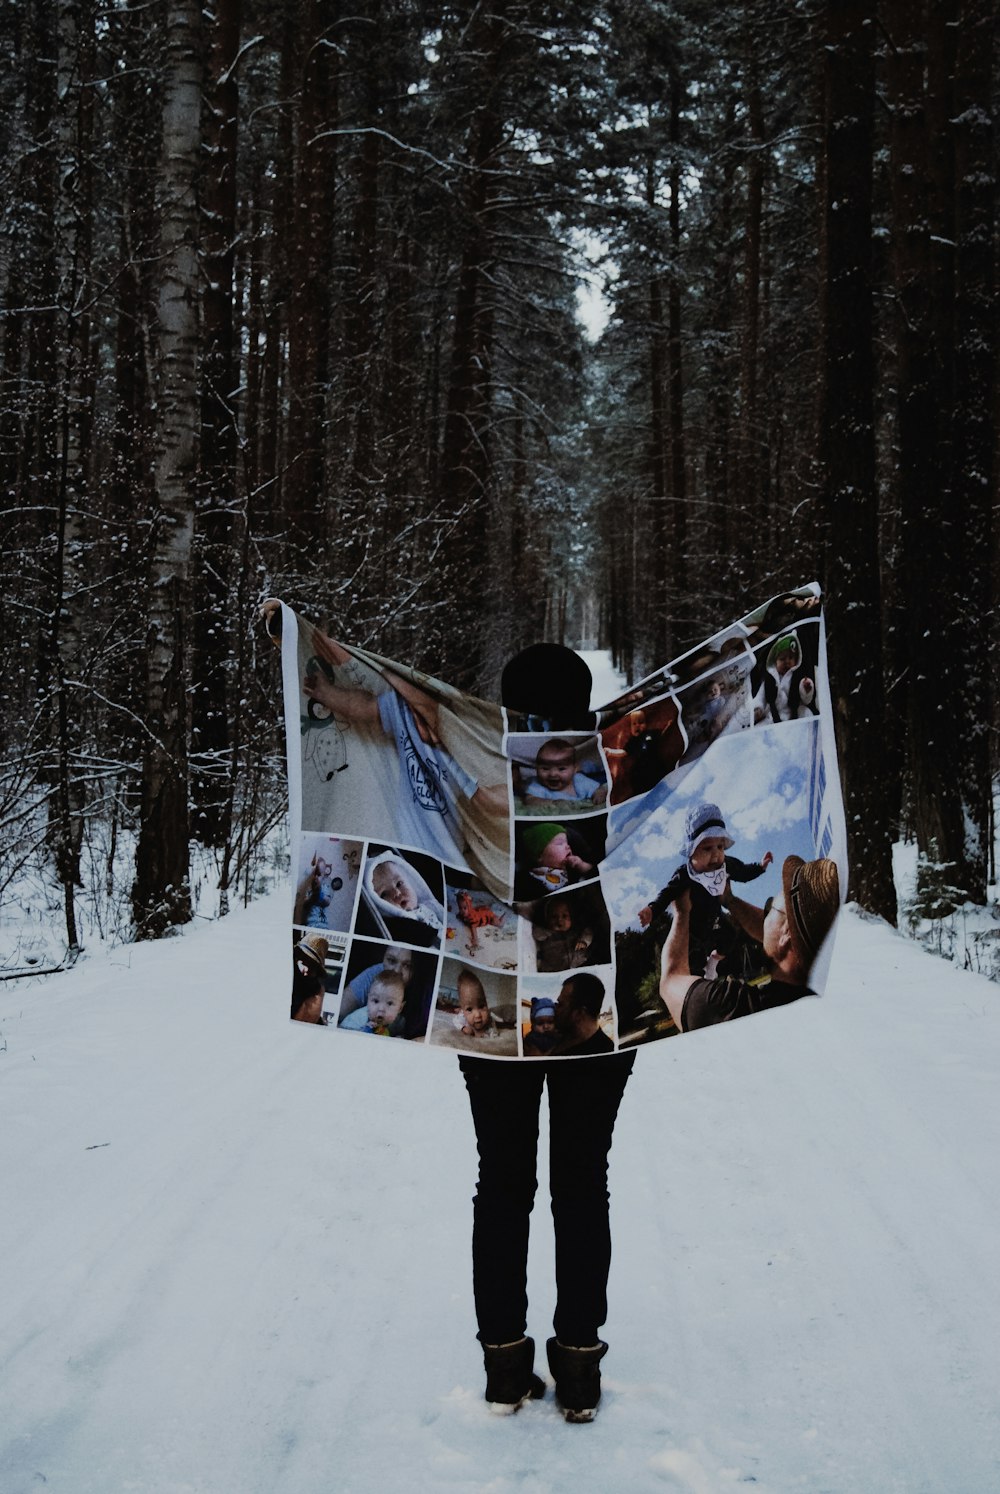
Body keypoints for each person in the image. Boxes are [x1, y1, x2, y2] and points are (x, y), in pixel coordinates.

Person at [460, 645, 635, 1423]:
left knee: (502, 1181)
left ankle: (504, 1366)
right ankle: (581, 1369)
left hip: (502, 1019)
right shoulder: (616, 780)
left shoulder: (476, 780)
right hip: (595, 1016)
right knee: (581, 1182)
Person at [301, 635, 507, 862]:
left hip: (453, 855)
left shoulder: (469, 748)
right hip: (405, 844)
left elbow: (493, 801)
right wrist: (326, 693)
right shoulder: (408, 712)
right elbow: (365, 707)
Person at [658, 854, 840, 1030]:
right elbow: (782, 938)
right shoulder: (817, 996)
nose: (764, 914)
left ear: (786, 935)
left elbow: (670, 980)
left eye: (769, 907)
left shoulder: (732, 1009)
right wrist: (729, 900)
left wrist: (682, 913)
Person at [638, 801, 773, 977]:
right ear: (691, 851)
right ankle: (700, 975)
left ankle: (713, 963)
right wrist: (652, 910)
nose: (716, 854)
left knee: (730, 935)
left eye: (720, 847)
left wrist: (760, 867)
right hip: (692, 928)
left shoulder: (725, 865)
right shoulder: (685, 874)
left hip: (715, 917)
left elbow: (742, 871)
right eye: (707, 848)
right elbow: (667, 894)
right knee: (693, 958)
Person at [521, 739, 607, 807]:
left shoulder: (578, 780)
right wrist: (553, 803)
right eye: (545, 768)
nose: (553, 774)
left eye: (561, 769)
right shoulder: (538, 785)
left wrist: (599, 794)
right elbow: (530, 801)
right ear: (536, 768)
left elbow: (598, 789)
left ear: (575, 769)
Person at [531, 895, 594, 973]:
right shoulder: (545, 933)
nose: (559, 921)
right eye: (554, 917)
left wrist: (583, 942)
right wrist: (549, 930)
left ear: (572, 917)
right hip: (553, 969)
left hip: (579, 966)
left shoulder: (576, 931)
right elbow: (537, 935)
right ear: (547, 919)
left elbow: (588, 932)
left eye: (565, 916)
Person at [339, 970, 407, 1035]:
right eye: (376, 1001)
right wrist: (363, 1031)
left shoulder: (399, 1022)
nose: (381, 1009)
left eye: (389, 1003)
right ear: (368, 1000)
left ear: (400, 1008)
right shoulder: (357, 1019)